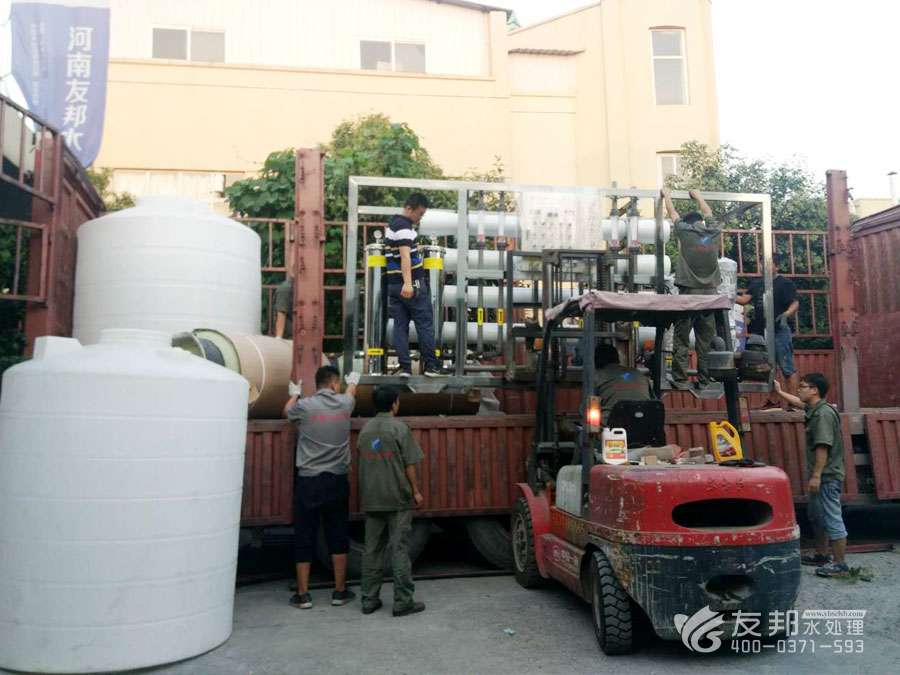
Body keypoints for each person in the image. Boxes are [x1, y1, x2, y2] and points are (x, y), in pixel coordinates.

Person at [283, 366, 360, 608]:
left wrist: (295, 394)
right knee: (338, 534)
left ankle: (303, 595)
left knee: (304, 535)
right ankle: (339, 592)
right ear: (335, 384)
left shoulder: (305, 406)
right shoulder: (345, 404)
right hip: (336, 480)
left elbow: (287, 412)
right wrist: (353, 381)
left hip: (309, 481)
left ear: (317, 385)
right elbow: (351, 393)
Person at [357, 385, 426, 617]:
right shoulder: (399, 428)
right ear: (395, 403)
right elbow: (410, 464)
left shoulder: (365, 430)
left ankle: (369, 600)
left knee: (372, 551)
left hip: (372, 498)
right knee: (399, 550)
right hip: (397, 499)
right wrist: (416, 491)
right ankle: (403, 602)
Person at [774, 373, 849, 578]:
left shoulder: (823, 415)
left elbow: (823, 446)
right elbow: (799, 402)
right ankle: (822, 555)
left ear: (814, 390)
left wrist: (816, 476)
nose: (799, 389)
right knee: (817, 516)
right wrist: (780, 392)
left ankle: (840, 565)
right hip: (822, 475)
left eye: (803, 386)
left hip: (827, 476)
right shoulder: (815, 408)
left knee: (832, 517)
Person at [662, 188, 722, 389]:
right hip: (710, 298)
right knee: (705, 342)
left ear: (688, 224)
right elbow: (708, 212)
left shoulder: (685, 232)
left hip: (689, 296)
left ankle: (680, 379)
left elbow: (673, 214)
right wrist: (698, 196)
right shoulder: (713, 232)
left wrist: (667, 196)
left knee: (682, 339)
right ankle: (704, 380)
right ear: (701, 222)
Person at [386, 192, 446, 377]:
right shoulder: (403, 226)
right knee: (424, 324)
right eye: (419, 213)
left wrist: (415, 249)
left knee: (400, 325)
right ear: (409, 208)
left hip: (394, 284)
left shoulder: (393, 224)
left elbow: (399, 252)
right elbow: (404, 256)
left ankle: (405, 367)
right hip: (411, 284)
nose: (420, 218)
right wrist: (408, 283)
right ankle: (430, 366)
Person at [736, 260, 800, 406]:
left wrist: (786, 315)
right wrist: (728, 294)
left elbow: (795, 303)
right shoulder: (757, 284)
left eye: (768, 264)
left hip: (779, 330)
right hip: (761, 332)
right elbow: (744, 299)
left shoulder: (785, 283)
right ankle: (773, 401)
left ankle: (794, 403)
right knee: (770, 368)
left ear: (777, 266)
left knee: (786, 367)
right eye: (761, 264)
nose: (763, 267)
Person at [594, 343, 652, 423]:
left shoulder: (597, 376)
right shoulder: (639, 374)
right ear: (617, 358)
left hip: (612, 424)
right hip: (645, 422)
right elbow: (653, 401)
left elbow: (587, 406)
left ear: (595, 361)